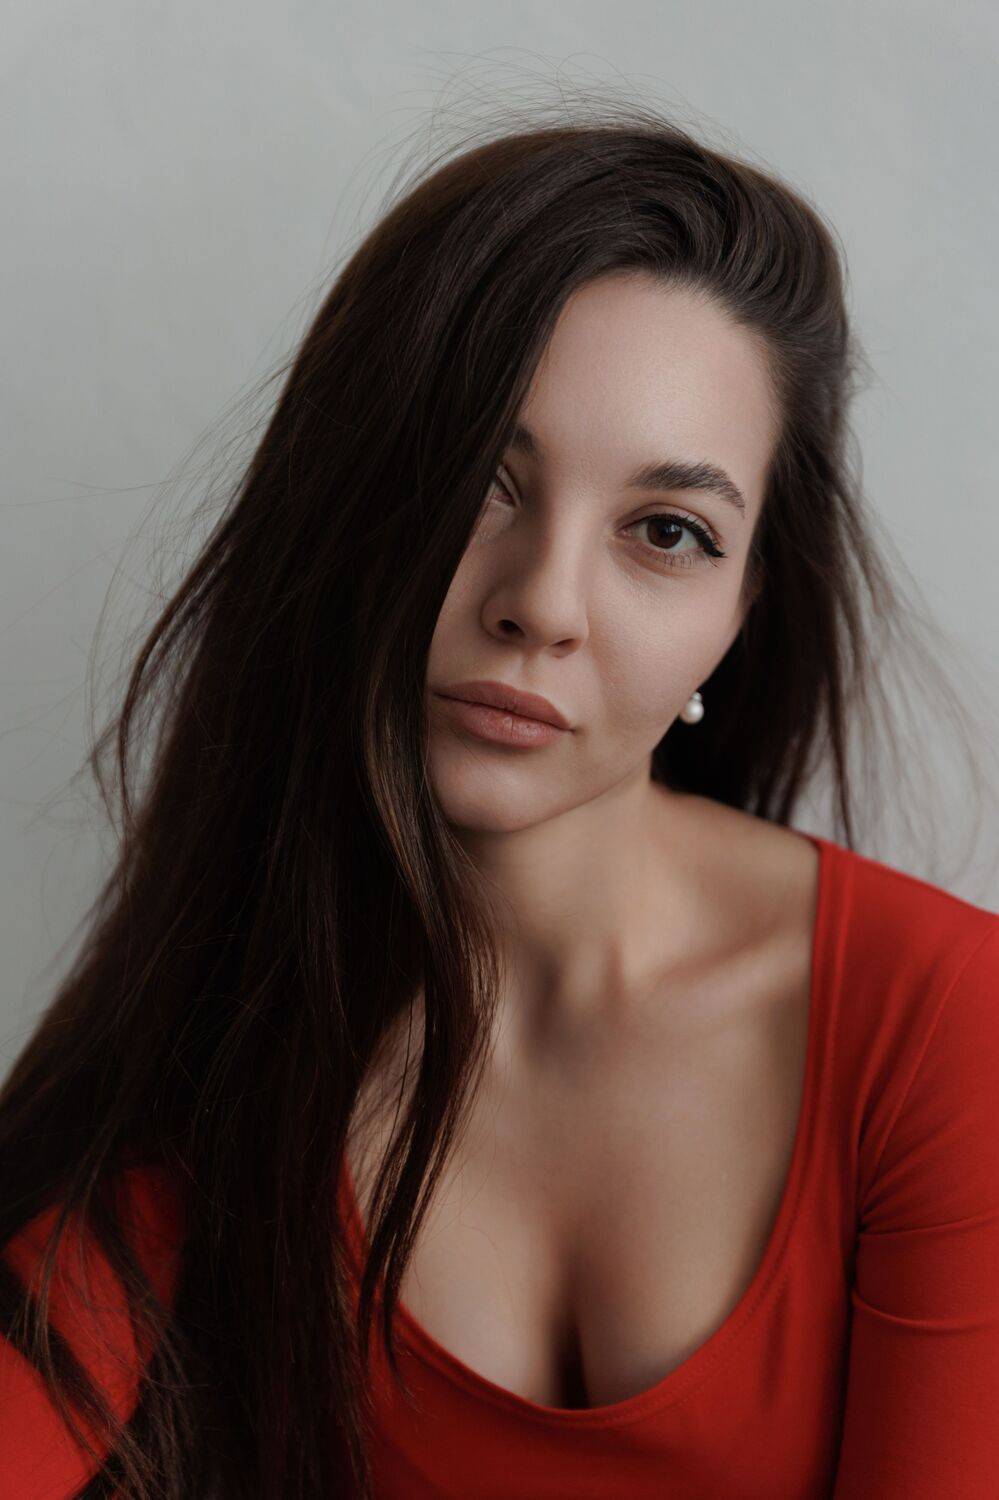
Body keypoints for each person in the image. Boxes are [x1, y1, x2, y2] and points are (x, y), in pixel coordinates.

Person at [1, 101, 996, 1500]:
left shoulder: (942, 1025)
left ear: (743, 608)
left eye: (667, 532)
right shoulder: (242, 1034)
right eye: (482, 480)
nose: (542, 603)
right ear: (347, 495)